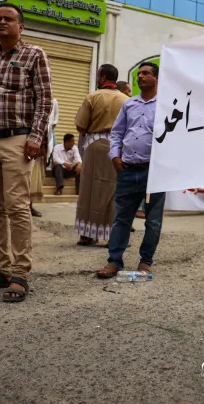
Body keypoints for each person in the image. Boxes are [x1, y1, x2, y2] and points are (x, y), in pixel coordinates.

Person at [0, 3, 53, 303]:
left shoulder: (34, 55)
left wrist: (36, 137)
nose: (2, 22)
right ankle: (1, 269)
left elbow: (45, 100)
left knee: (17, 208)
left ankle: (20, 274)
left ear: (21, 26)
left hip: (16, 141)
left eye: (9, 19)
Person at [96, 62, 164, 278]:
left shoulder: (165, 105)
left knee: (152, 221)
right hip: (127, 170)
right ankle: (114, 261)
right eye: (139, 73)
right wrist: (114, 156)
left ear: (156, 78)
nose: (140, 76)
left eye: (146, 73)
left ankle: (146, 261)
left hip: (153, 174)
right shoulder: (129, 104)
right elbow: (117, 133)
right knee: (122, 219)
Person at [74, 64, 127, 246]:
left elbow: (80, 126)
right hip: (118, 147)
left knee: (89, 189)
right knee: (114, 190)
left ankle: (87, 234)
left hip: (95, 146)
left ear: (103, 78)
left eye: (98, 75)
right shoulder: (125, 99)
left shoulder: (93, 96)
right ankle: (114, 235)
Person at [46, 97, 58, 165]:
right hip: (41, 129)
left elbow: (56, 115)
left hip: (50, 129)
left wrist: (53, 124)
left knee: (52, 148)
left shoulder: (54, 101)